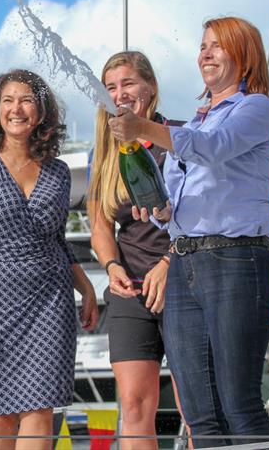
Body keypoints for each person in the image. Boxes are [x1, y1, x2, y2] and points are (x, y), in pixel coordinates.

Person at [108, 16, 269, 447]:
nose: (205, 53)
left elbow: (214, 149)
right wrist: (164, 211)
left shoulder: (255, 108)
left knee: (239, 403)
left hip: (238, 258)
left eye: (217, 46)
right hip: (186, 258)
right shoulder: (198, 119)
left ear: (244, 55)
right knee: (201, 412)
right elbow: (190, 189)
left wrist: (143, 129)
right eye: (203, 45)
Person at [0, 69, 99, 450]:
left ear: (41, 111)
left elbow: (58, 241)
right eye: (8, 100)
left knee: (40, 410)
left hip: (51, 303)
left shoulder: (59, 172)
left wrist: (87, 290)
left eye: (26, 100)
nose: (17, 109)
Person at [87, 51, 185, 449]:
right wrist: (111, 267)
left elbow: (205, 216)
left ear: (151, 88)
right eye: (111, 87)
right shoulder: (103, 152)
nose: (120, 93)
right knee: (134, 403)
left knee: (191, 403)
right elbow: (99, 225)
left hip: (182, 280)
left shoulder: (178, 136)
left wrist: (168, 262)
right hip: (130, 289)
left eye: (128, 83)